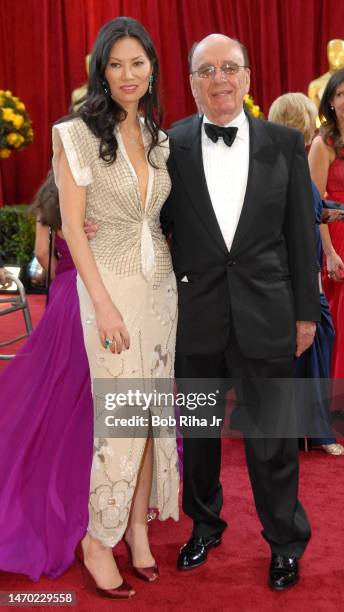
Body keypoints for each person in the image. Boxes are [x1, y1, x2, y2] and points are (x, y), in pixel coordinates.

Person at [161, 34, 320, 591]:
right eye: (207, 70)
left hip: (268, 312)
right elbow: (149, 226)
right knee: (200, 435)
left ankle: (284, 542)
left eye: (230, 68)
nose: (219, 79)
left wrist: (306, 314)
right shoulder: (170, 145)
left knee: (273, 436)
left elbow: (302, 236)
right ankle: (204, 524)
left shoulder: (284, 143)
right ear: (191, 84)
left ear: (248, 78)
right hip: (195, 315)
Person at [53, 17, 179, 600]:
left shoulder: (157, 136)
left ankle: (136, 527)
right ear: (101, 71)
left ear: (152, 66)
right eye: (116, 64)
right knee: (122, 417)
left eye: (138, 62)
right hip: (110, 290)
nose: (128, 75)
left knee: (153, 416)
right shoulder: (74, 134)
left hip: (161, 292)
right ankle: (98, 540)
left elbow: (158, 216)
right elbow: (75, 229)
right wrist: (102, 304)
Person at [0, 170, 93, 581]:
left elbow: (42, 256)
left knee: (56, 389)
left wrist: (62, 269)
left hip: (63, 299)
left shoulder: (50, 200)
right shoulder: (96, 189)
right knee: (91, 393)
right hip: (96, 297)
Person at [268, 92, 344, 456]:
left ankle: (307, 430)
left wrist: (337, 211)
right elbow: (304, 217)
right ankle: (314, 433)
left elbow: (315, 210)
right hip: (296, 274)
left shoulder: (286, 158)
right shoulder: (289, 161)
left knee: (311, 346)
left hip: (298, 271)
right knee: (312, 342)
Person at [309, 68, 344, 385]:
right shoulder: (324, 143)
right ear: (331, 101)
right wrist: (330, 252)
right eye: (341, 94)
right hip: (335, 235)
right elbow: (313, 205)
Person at [308, 40, 344, 110]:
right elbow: (314, 116)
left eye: (341, 53)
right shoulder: (315, 86)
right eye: (332, 53)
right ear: (327, 54)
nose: (336, 57)